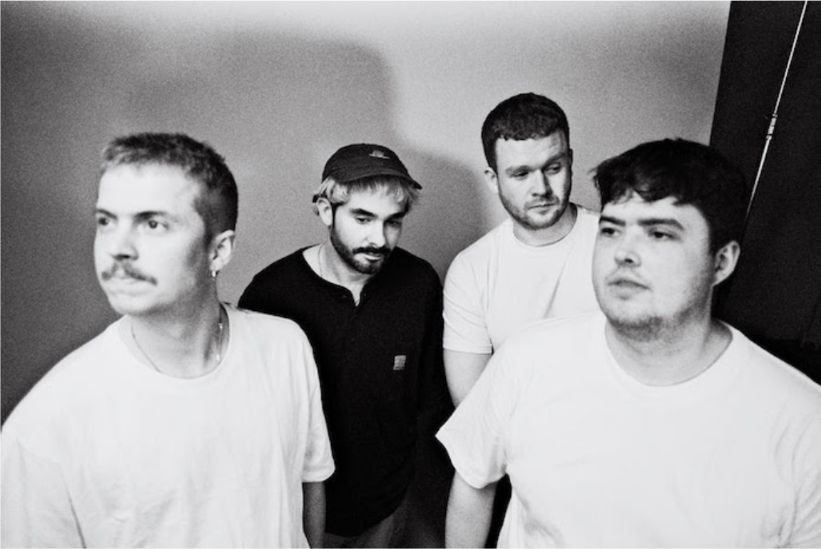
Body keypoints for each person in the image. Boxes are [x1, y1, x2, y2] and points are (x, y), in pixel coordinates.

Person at [437, 138, 821, 547]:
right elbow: (472, 481)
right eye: (611, 230)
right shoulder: (527, 359)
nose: (624, 253)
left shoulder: (803, 427)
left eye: (659, 233)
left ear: (721, 262)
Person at [1, 133, 334, 547]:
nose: (118, 248)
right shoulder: (43, 429)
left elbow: (308, 484)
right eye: (106, 221)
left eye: (153, 224)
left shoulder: (286, 347)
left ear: (219, 251)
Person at [239, 143, 452, 547]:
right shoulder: (272, 294)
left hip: (387, 507)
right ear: (325, 210)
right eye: (362, 218)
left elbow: (430, 401)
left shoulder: (419, 284)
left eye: (393, 222)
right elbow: (252, 423)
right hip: (299, 513)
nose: (379, 238)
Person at [443, 92, 599, 407]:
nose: (541, 189)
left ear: (570, 161)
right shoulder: (472, 268)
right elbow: (471, 408)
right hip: (517, 435)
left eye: (553, 168)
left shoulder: (617, 243)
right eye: (521, 174)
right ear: (493, 179)